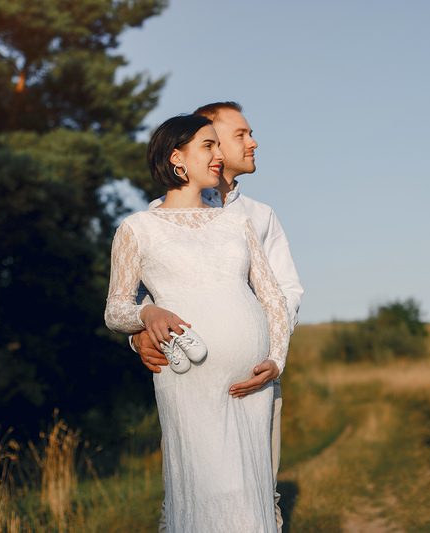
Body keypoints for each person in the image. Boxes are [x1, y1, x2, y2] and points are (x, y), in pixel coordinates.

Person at [105, 114, 289, 532]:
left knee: (251, 491)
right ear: (177, 159)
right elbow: (116, 308)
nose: (219, 154)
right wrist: (146, 314)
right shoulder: (137, 229)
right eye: (208, 146)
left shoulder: (236, 222)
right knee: (207, 489)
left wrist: (276, 359)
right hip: (188, 377)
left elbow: (273, 297)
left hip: (252, 382)